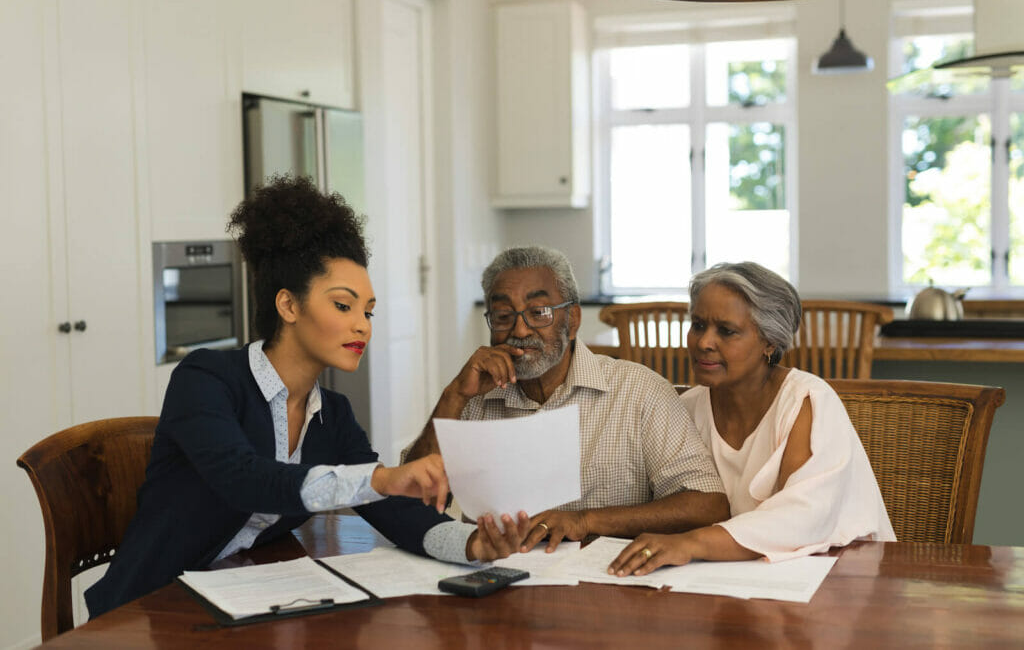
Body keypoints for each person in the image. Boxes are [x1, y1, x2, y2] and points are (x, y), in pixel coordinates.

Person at [85, 176, 528, 617]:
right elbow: (246, 481)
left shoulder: (331, 416)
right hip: (147, 612)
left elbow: (393, 511)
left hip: (238, 606)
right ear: (288, 306)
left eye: (369, 311)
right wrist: (380, 478)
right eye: (343, 305)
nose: (363, 326)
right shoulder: (206, 379)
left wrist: (473, 544)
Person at [404, 246, 728, 553]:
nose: (520, 329)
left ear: (572, 320)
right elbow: (408, 504)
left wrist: (586, 520)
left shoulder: (638, 390)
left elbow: (707, 505)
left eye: (539, 312)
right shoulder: (473, 398)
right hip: (495, 576)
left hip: (605, 584)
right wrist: (454, 394)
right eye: (503, 315)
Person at [609, 262, 895, 577]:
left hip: (839, 573)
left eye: (726, 331)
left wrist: (691, 543)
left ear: (770, 342)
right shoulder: (686, 408)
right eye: (698, 324)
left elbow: (802, 518)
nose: (704, 342)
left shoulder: (805, 401)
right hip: (733, 577)